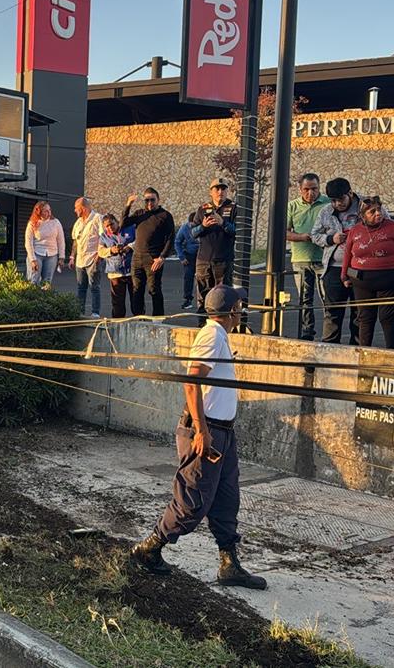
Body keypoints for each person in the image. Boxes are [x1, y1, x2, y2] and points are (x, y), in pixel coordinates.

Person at [131, 285, 266, 591]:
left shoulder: (220, 335)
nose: (242, 310)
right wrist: (202, 430)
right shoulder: (212, 334)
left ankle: (229, 564)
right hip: (209, 431)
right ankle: (149, 548)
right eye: (240, 305)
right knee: (192, 501)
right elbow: (192, 382)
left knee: (226, 499)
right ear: (231, 311)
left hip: (223, 432)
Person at [342, 196, 394, 349]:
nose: (378, 214)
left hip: (390, 279)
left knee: (386, 316)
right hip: (362, 281)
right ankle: (364, 353)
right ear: (363, 216)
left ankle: (391, 352)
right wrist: (344, 275)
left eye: (379, 209)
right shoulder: (355, 230)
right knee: (365, 318)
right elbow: (348, 254)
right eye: (372, 212)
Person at [310, 178, 364, 344]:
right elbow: (314, 235)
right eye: (333, 200)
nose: (337, 204)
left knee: (359, 314)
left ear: (350, 193)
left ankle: (357, 348)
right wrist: (330, 239)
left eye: (341, 199)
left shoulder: (366, 207)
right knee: (332, 312)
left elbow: (385, 225)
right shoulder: (326, 211)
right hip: (334, 268)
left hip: (360, 268)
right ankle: (329, 349)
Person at [285, 173, 329, 340]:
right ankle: (307, 331)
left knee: (327, 298)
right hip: (301, 259)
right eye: (306, 189)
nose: (310, 193)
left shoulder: (327, 204)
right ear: (300, 189)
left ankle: (329, 333)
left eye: (314, 189)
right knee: (305, 299)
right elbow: (284, 231)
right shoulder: (292, 206)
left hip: (323, 259)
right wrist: (302, 237)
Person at [123, 188, 175, 316]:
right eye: (147, 200)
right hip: (137, 257)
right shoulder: (139, 213)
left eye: (152, 200)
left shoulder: (165, 216)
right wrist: (128, 205)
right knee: (136, 290)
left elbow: (170, 238)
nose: (150, 203)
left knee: (154, 289)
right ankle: (139, 318)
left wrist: (162, 257)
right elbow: (123, 223)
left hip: (153, 259)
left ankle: (158, 319)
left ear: (158, 200)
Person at [191, 178, 237, 319]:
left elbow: (237, 232)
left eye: (223, 189)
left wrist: (222, 222)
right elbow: (193, 233)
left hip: (223, 260)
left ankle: (222, 325)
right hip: (204, 260)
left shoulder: (233, 208)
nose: (220, 192)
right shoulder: (203, 209)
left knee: (222, 296)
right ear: (211, 192)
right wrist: (203, 225)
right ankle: (202, 325)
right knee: (204, 295)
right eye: (216, 189)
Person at [68, 197, 102, 317]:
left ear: (83, 208)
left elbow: (103, 237)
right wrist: (72, 257)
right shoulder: (78, 223)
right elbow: (75, 241)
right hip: (80, 261)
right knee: (81, 288)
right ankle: (79, 312)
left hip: (93, 259)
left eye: (76, 208)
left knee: (94, 287)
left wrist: (99, 254)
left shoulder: (98, 218)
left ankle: (95, 312)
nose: (75, 211)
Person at [98, 213, 134, 319]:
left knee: (136, 299)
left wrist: (130, 247)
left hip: (131, 270)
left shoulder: (130, 229)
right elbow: (100, 252)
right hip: (115, 272)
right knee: (117, 302)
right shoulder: (103, 236)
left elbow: (140, 242)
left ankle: (141, 321)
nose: (110, 228)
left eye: (111, 224)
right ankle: (118, 323)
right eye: (107, 226)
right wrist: (110, 250)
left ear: (117, 222)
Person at [24, 201, 65, 287]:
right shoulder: (32, 223)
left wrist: (61, 257)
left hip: (52, 255)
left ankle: (45, 299)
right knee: (34, 280)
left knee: (47, 282)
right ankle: (32, 299)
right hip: (37, 253)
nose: (49, 212)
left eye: (49, 210)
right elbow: (28, 242)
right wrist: (32, 259)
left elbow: (61, 241)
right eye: (45, 211)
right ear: (39, 212)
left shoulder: (56, 222)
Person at [174, 212, 199, 310]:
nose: (193, 227)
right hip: (189, 255)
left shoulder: (204, 226)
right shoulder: (185, 228)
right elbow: (177, 242)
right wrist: (181, 257)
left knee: (205, 277)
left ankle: (205, 299)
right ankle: (188, 299)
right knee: (188, 276)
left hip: (203, 254)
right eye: (191, 225)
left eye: (195, 225)